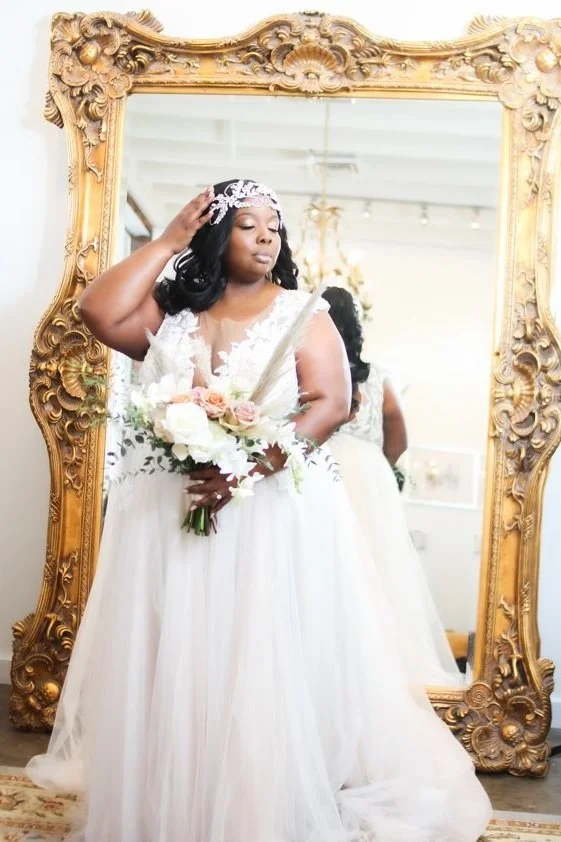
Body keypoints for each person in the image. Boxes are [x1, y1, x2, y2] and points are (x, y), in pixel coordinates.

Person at [27, 180, 491, 842]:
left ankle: (252, 812)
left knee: (255, 662)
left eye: (275, 225)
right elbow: (97, 311)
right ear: (216, 235)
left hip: (265, 514)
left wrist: (244, 468)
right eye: (248, 224)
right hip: (172, 513)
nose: (267, 235)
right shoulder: (174, 314)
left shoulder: (303, 314)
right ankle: (174, 807)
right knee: (178, 659)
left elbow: (330, 404)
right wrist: (167, 240)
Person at [323, 286, 462, 687]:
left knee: (329, 562)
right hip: (368, 472)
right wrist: (377, 466)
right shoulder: (380, 377)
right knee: (378, 568)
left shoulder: (308, 366)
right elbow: (398, 435)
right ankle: (378, 663)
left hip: (323, 466)